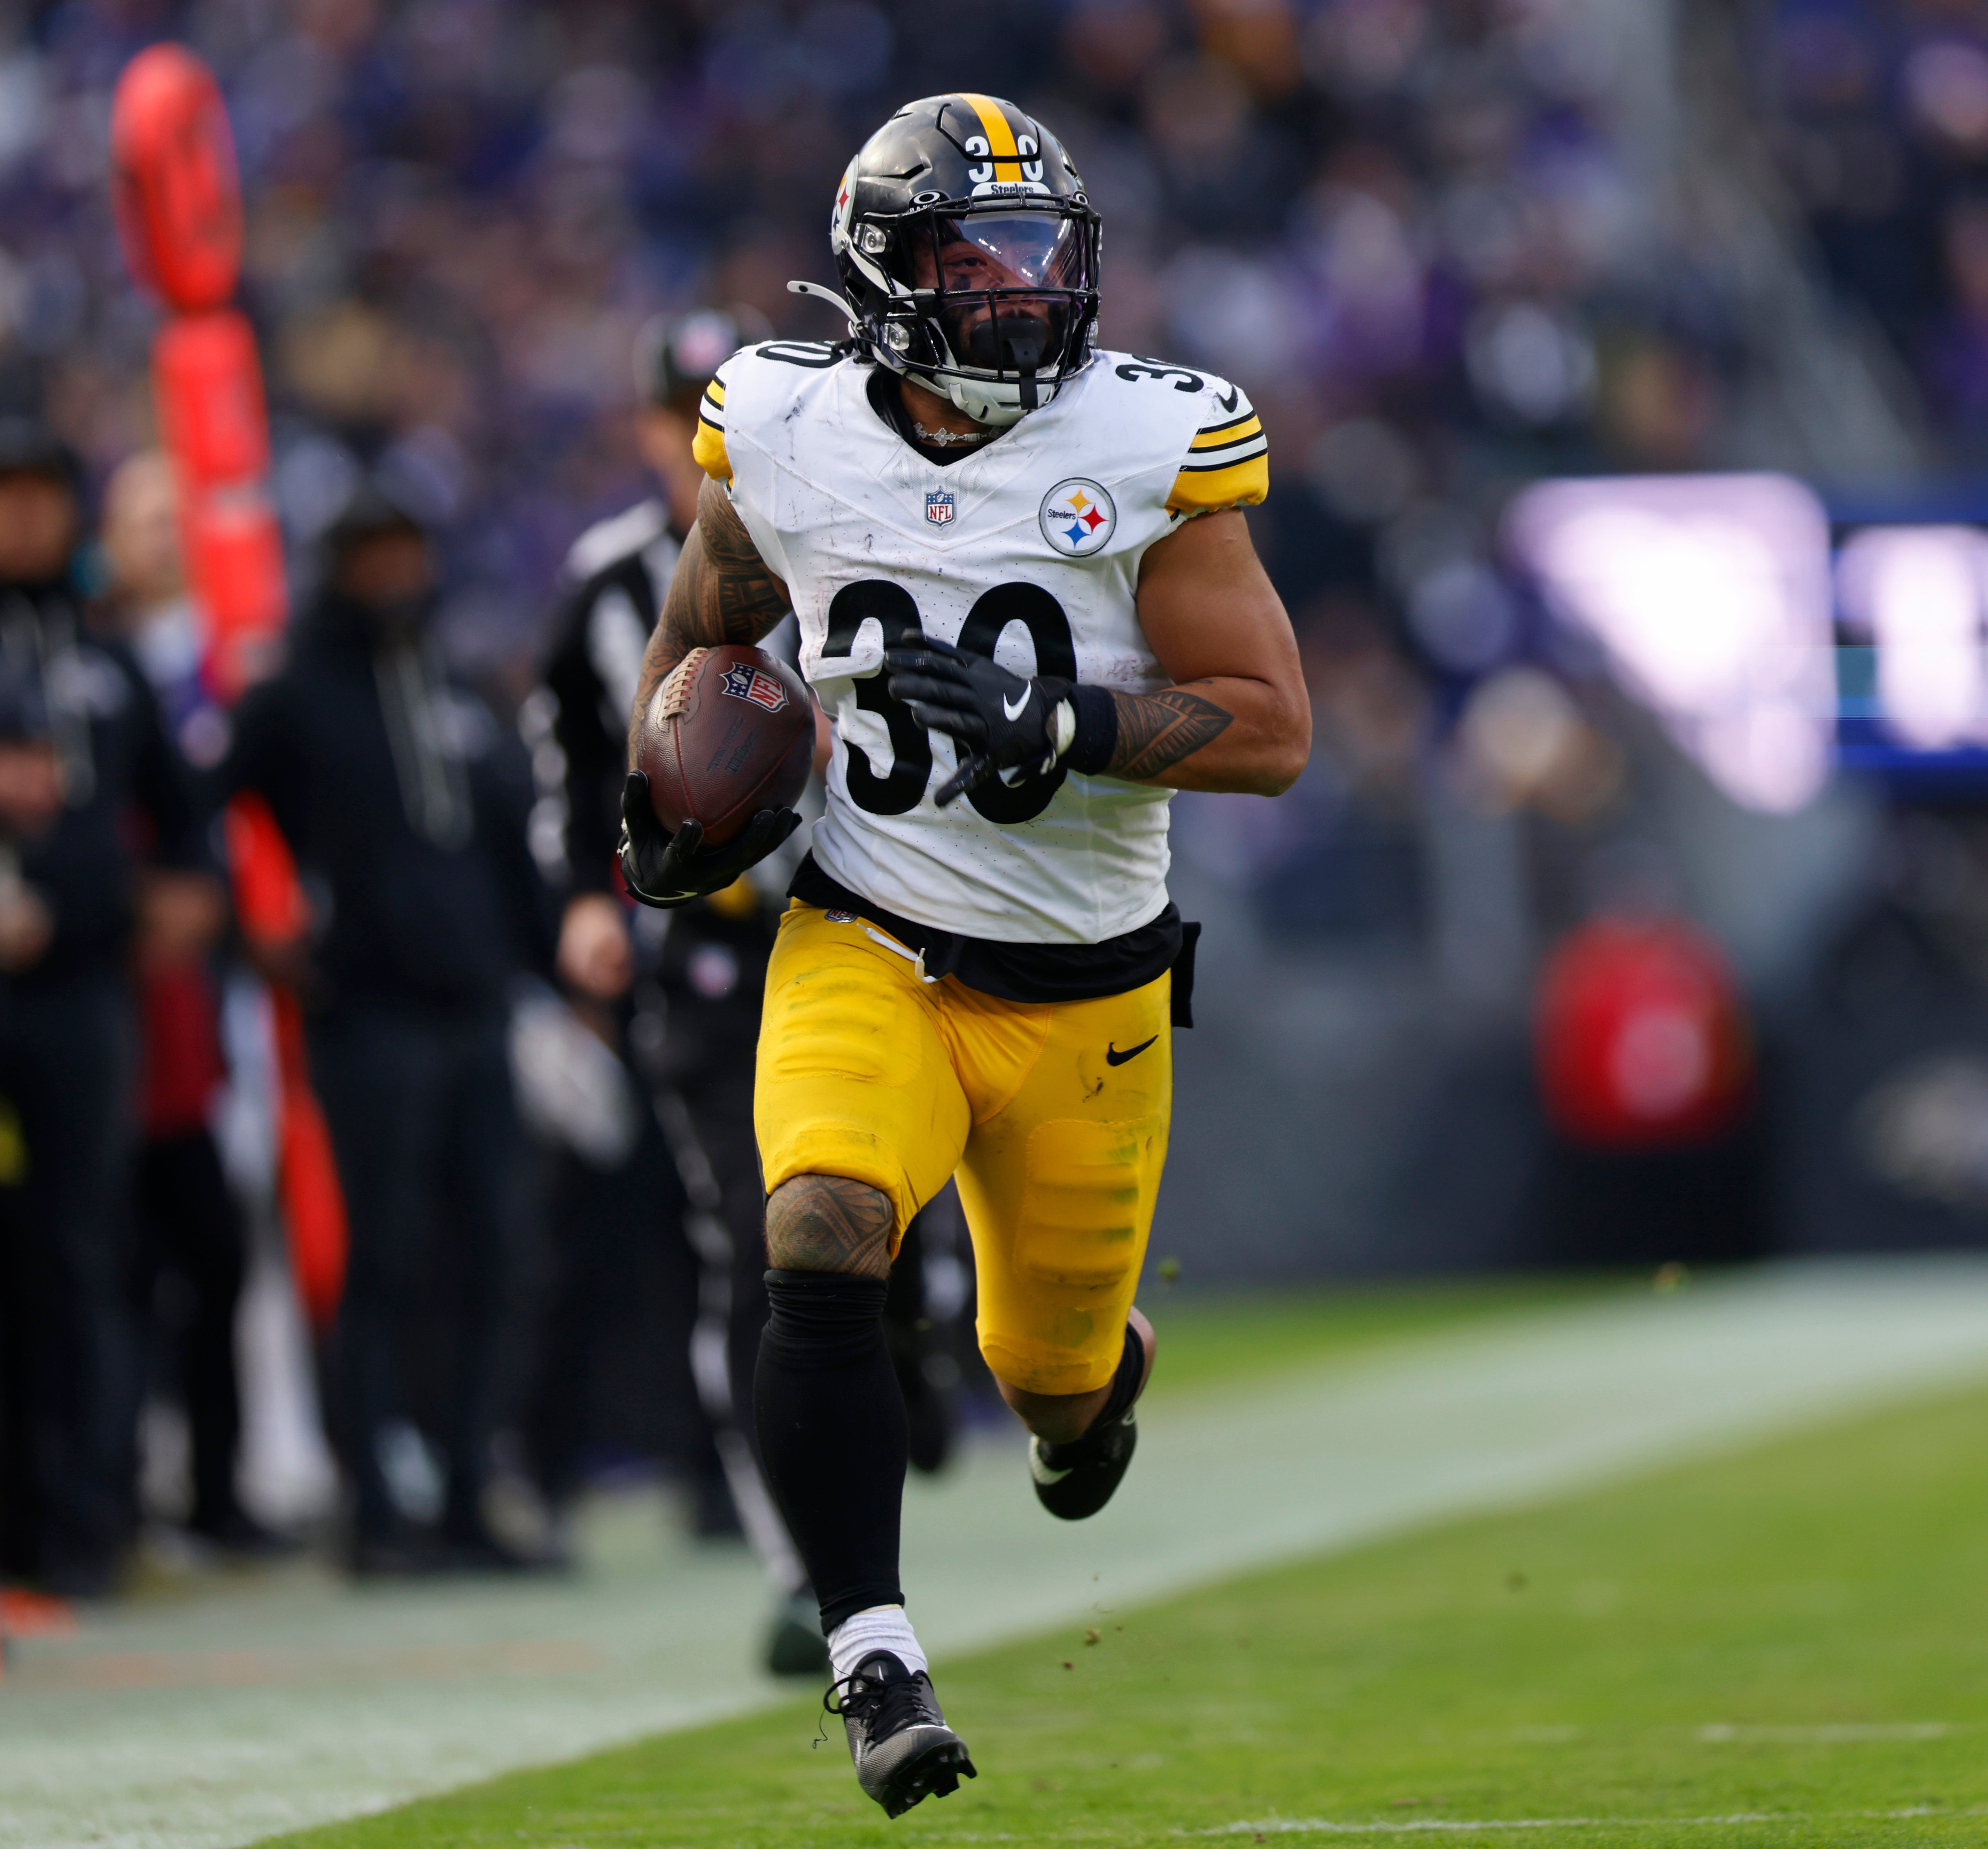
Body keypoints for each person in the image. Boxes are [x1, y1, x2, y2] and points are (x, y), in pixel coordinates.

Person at [616, 95, 1310, 1815]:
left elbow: (1272, 727)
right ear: (883, 274)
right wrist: (664, 783)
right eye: (974, 260)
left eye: (1040, 257)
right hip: (872, 937)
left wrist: (1057, 715)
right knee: (821, 1225)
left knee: (1045, 1377)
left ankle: (1094, 1394)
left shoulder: (1155, 441)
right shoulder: (778, 427)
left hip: (1087, 990)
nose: (1017, 294)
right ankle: (871, 1648)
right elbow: (708, 621)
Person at [536, 308, 966, 1677]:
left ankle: (917, 1333)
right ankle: (805, 1565)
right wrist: (580, 900)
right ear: (658, 435)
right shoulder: (604, 584)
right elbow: (563, 760)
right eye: (682, 425)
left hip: (874, 935)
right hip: (717, 964)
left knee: (888, 1240)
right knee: (754, 1248)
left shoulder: (849, 534)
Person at [219, 486, 561, 1575]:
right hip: (366, 1016)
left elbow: (518, 838)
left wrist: (551, 964)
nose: (391, 576)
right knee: (384, 1257)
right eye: (369, 556)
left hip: (476, 1014)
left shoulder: (456, 686)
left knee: (491, 1254)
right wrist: (250, 931)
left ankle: (467, 1490)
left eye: (405, 553)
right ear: (335, 567)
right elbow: (194, 804)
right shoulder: (295, 696)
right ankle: (372, 1507)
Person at [0, 419, 224, 1597]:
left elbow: (185, 809)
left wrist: (189, 891)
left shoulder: (103, 654)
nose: (20, 517)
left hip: (84, 999)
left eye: (39, 494)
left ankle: (84, 1522)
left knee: (82, 1252)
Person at [93, 451, 286, 1556]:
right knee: (155, 1239)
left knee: (246, 1226)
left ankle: (249, 1466)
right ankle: (155, 1474)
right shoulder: (102, 658)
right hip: (147, 986)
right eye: (143, 515)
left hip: (241, 980)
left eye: (181, 515)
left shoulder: (244, 655)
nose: (165, 535)